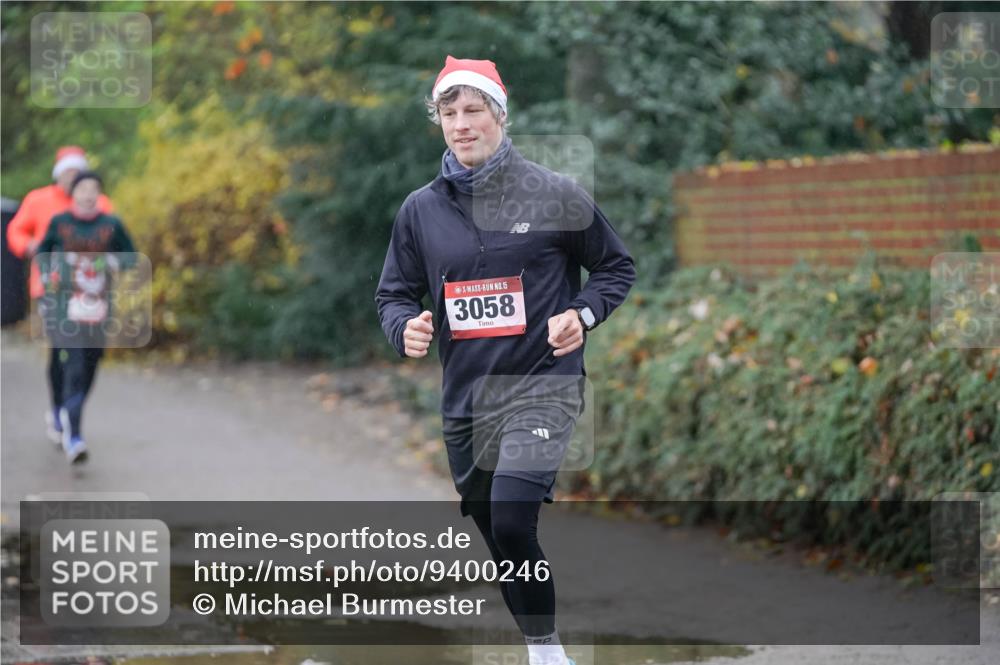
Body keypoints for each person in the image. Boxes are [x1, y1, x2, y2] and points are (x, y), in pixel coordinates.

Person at [376, 56, 635, 665]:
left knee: (514, 519)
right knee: (496, 530)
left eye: (473, 111)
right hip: (466, 398)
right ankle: (543, 644)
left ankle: (547, 659)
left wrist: (584, 314)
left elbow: (615, 266)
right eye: (449, 112)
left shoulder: (554, 193)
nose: (461, 124)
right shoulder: (420, 210)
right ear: (438, 121)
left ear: (500, 116)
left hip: (543, 384)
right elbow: (393, 293)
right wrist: (403, 328)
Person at [6, 146, 115, 446]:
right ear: (59, 175)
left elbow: (116, 241)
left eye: (78, 173)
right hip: (51, 290)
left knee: (90, 355)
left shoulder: (101, 204)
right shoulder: (39, 200)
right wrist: (28, 246)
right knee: (65, 350)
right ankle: (61, 410)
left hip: (92, 293)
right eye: (68, 173)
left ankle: (71, 407)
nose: (74, 180)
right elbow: (16, 231)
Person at [34, 171, 136, 463]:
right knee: (72, 365)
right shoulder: (60, 223)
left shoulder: (111, 225)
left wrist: (112, 261)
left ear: (100, 195)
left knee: (90, 367)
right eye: (83, 189)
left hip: (99, 308)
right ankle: (74, 434)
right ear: (73, 193)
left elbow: (131, 256)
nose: (88, 194)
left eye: (94, 189)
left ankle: (67, 412)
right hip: (66, 307)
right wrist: (48, 277)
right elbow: (42, 252)